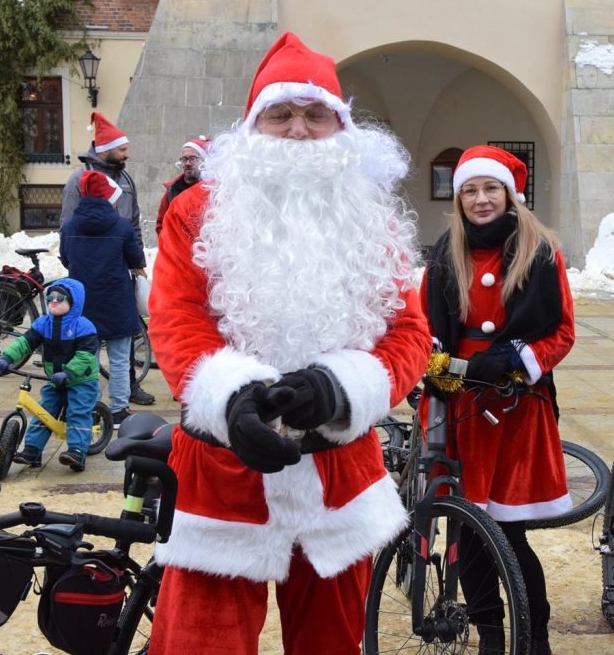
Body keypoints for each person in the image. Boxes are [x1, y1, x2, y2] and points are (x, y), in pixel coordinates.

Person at [147, 32, 429, 653]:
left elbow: (409, 332)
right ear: (253, 126)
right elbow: (176, 317)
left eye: (315, 115)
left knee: (333, 643)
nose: (299, 130)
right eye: (281, 114)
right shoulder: (197, 209)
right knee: (202, 643)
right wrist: (230, 398)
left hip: (339, 470)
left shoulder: (371, 213)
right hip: (224, 468)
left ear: (341, 127)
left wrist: (340, 386)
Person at [421, 145, 574, 654]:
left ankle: (534, 638)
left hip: (513, 408)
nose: (481, 199)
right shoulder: (445, 253)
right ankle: (489, 634)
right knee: (468, 533)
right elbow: (424, 329)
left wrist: (514, 359)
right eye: (470, 190)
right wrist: (436, 366)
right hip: (458, 405)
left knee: (510, 535)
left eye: (491, 189)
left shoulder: (541, 250)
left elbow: (561, 333)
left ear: (510, 195)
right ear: (459, 198)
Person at [60, 111, 156, 407]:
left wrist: (137, 266)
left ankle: (124, 388)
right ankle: (116, 404)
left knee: (121, 336)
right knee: (109, 338)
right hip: (99, 272)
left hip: (117, 267)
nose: (127, 154)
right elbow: (68, 225)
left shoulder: (125, 178)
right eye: (122, 149)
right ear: (105, 150)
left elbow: (135, 220)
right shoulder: (79, 179)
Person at [59, 170, 147, 427]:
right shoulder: (121, 225)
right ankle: (118, 409)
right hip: (116, 300)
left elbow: (66, 259)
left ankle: (92, 407)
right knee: (120, 359)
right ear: (108, 196)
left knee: (88, 357)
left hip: (82, 303)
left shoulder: (71, 227)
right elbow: (134, 259)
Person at [0, 278, 99, 472]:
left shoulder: (84, 326)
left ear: (73, 302)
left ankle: (77, 451)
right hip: (55, 378)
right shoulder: (43, 323)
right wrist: (7, 358)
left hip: (81, 379)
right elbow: (25, 343)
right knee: (44, 410)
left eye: (60, 297)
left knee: (77, 412)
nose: (53, 301)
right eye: (50, 297)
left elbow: (85, 356)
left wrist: (69, 372)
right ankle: (32, 450)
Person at [155, 135, 209, 236]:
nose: (187, 163)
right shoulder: (173, 190)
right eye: (184, 159)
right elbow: (162, 225)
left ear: (205, 161)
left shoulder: (214, 190)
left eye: (193, 158)